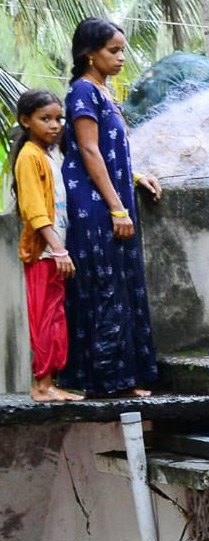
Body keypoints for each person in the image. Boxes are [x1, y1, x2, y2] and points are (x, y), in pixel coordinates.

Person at [61, 18, 162, 398]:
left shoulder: (105, 93)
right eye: (113, 51)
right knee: (102, 285)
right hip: (95, 203)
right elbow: (88, 149)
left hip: (113, 196)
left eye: (122, 50)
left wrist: (136, 178)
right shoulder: (83, 92)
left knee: (121, 283)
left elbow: (111, 151)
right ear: (90, 55)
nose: (121, 57)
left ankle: (124, 376)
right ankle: (106, 379)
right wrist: (118, 208)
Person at [12, 89, 82, 403]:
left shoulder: (47, 156)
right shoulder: (29, 156)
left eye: (58, 118)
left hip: (53, 250)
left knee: (55, 316)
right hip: (44, 252)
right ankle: (41, 386)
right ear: (25, 121)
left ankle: (49, 383)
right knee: (45, 317)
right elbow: (33, 209)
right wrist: (58, 248)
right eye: (45, 119)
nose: (55, 125)